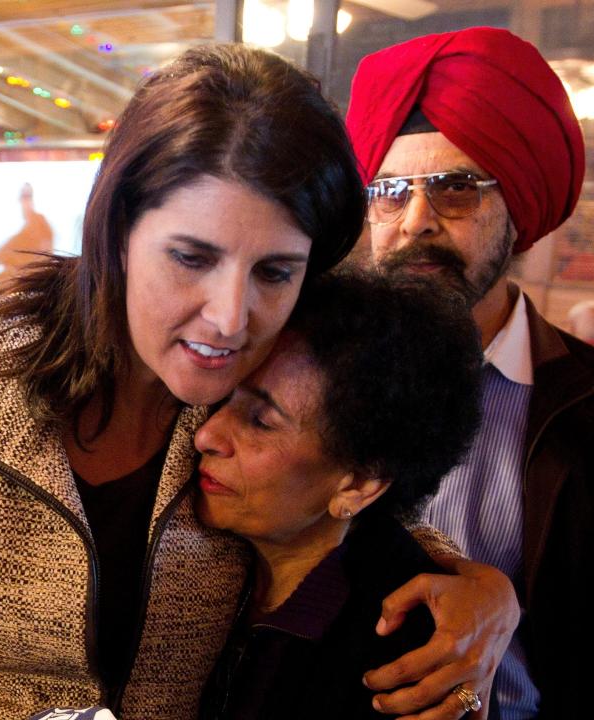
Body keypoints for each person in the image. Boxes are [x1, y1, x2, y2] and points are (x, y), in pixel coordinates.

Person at [0, 44, 517, 720]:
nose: (231, 318)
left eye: (274, 271)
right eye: (191, 257)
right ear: (117, 232)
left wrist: (484, 589)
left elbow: (340, 509)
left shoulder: (260, 387)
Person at [347, 27, 594, 719]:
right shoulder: (310, 381)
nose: (416, 220)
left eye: (454, 188)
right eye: (391, 190)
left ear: (520, 211)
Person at [197, 269, 485, 719]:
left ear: (357, 485)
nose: (207, 434)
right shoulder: (207, 560)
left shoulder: (406, 659)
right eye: (222, 399)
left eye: (260, 421)